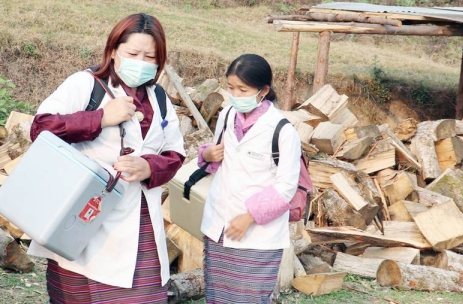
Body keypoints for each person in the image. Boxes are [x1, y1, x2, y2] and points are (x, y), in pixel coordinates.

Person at [28, 13, 185, 303]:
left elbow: (175, 153)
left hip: (138, 222)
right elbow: (41, 127)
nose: (141, 61)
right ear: (113, 52)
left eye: (150, 56)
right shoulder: (84, 85)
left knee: (142, 294)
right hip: (83, 211)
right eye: (133, 53)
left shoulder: (159, 98)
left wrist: (149, 166)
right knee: (79, 289)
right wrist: (100, 118)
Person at [198, 54, 302, 304]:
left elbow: (286, 188)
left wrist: (249, 217)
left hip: (257, 235)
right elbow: (219, 159)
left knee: (248, 298)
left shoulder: (283, 131)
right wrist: (208, 153)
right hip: (220, 227)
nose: (235, 94)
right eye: (231, 87)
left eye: (243, 89)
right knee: (218, 296)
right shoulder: (226, 115)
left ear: (263, 90)